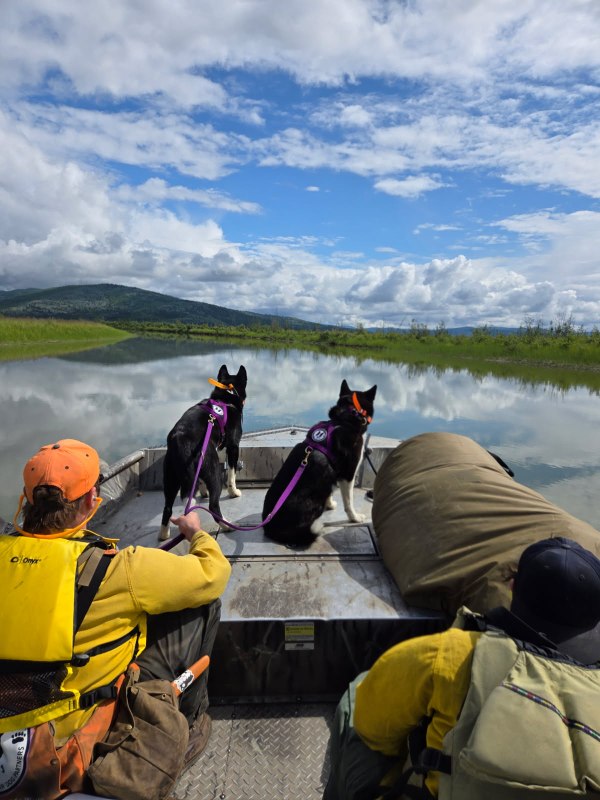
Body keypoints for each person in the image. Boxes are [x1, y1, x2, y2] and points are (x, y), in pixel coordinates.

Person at [0, 439, 231, 799]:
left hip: (12, 719)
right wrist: (195, 532)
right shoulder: (118, 568)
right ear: (93, 499)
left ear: (27, 501)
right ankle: (192, 721)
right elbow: (212, 573)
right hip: (67, 741)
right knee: (202, 605)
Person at [324, 536, 600, 800]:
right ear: (591, 621)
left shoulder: (450, 654)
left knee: (358, 695)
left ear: (512, 586)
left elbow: (371, 725)